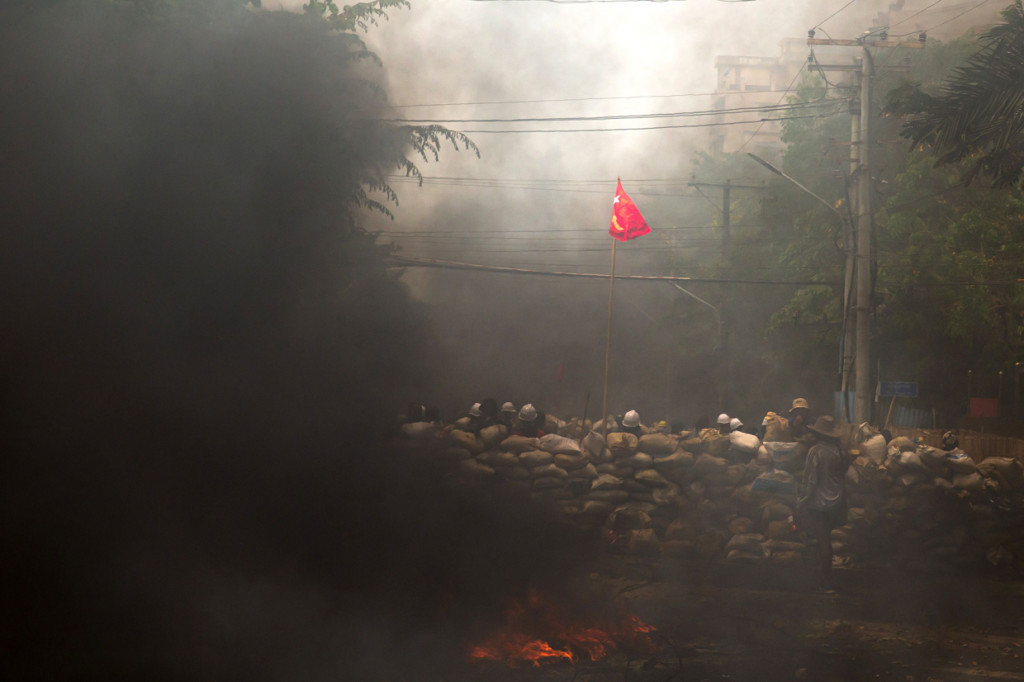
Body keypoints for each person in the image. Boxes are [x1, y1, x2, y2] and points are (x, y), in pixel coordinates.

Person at [797, 415, 849, 590]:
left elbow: (810, 480)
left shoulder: (816, 451)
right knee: (825, 538)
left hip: (819, 504)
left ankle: (827, 581)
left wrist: (802, 500)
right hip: (837, 502)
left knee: (823, 540)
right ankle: (822, 572)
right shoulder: (839, 451)